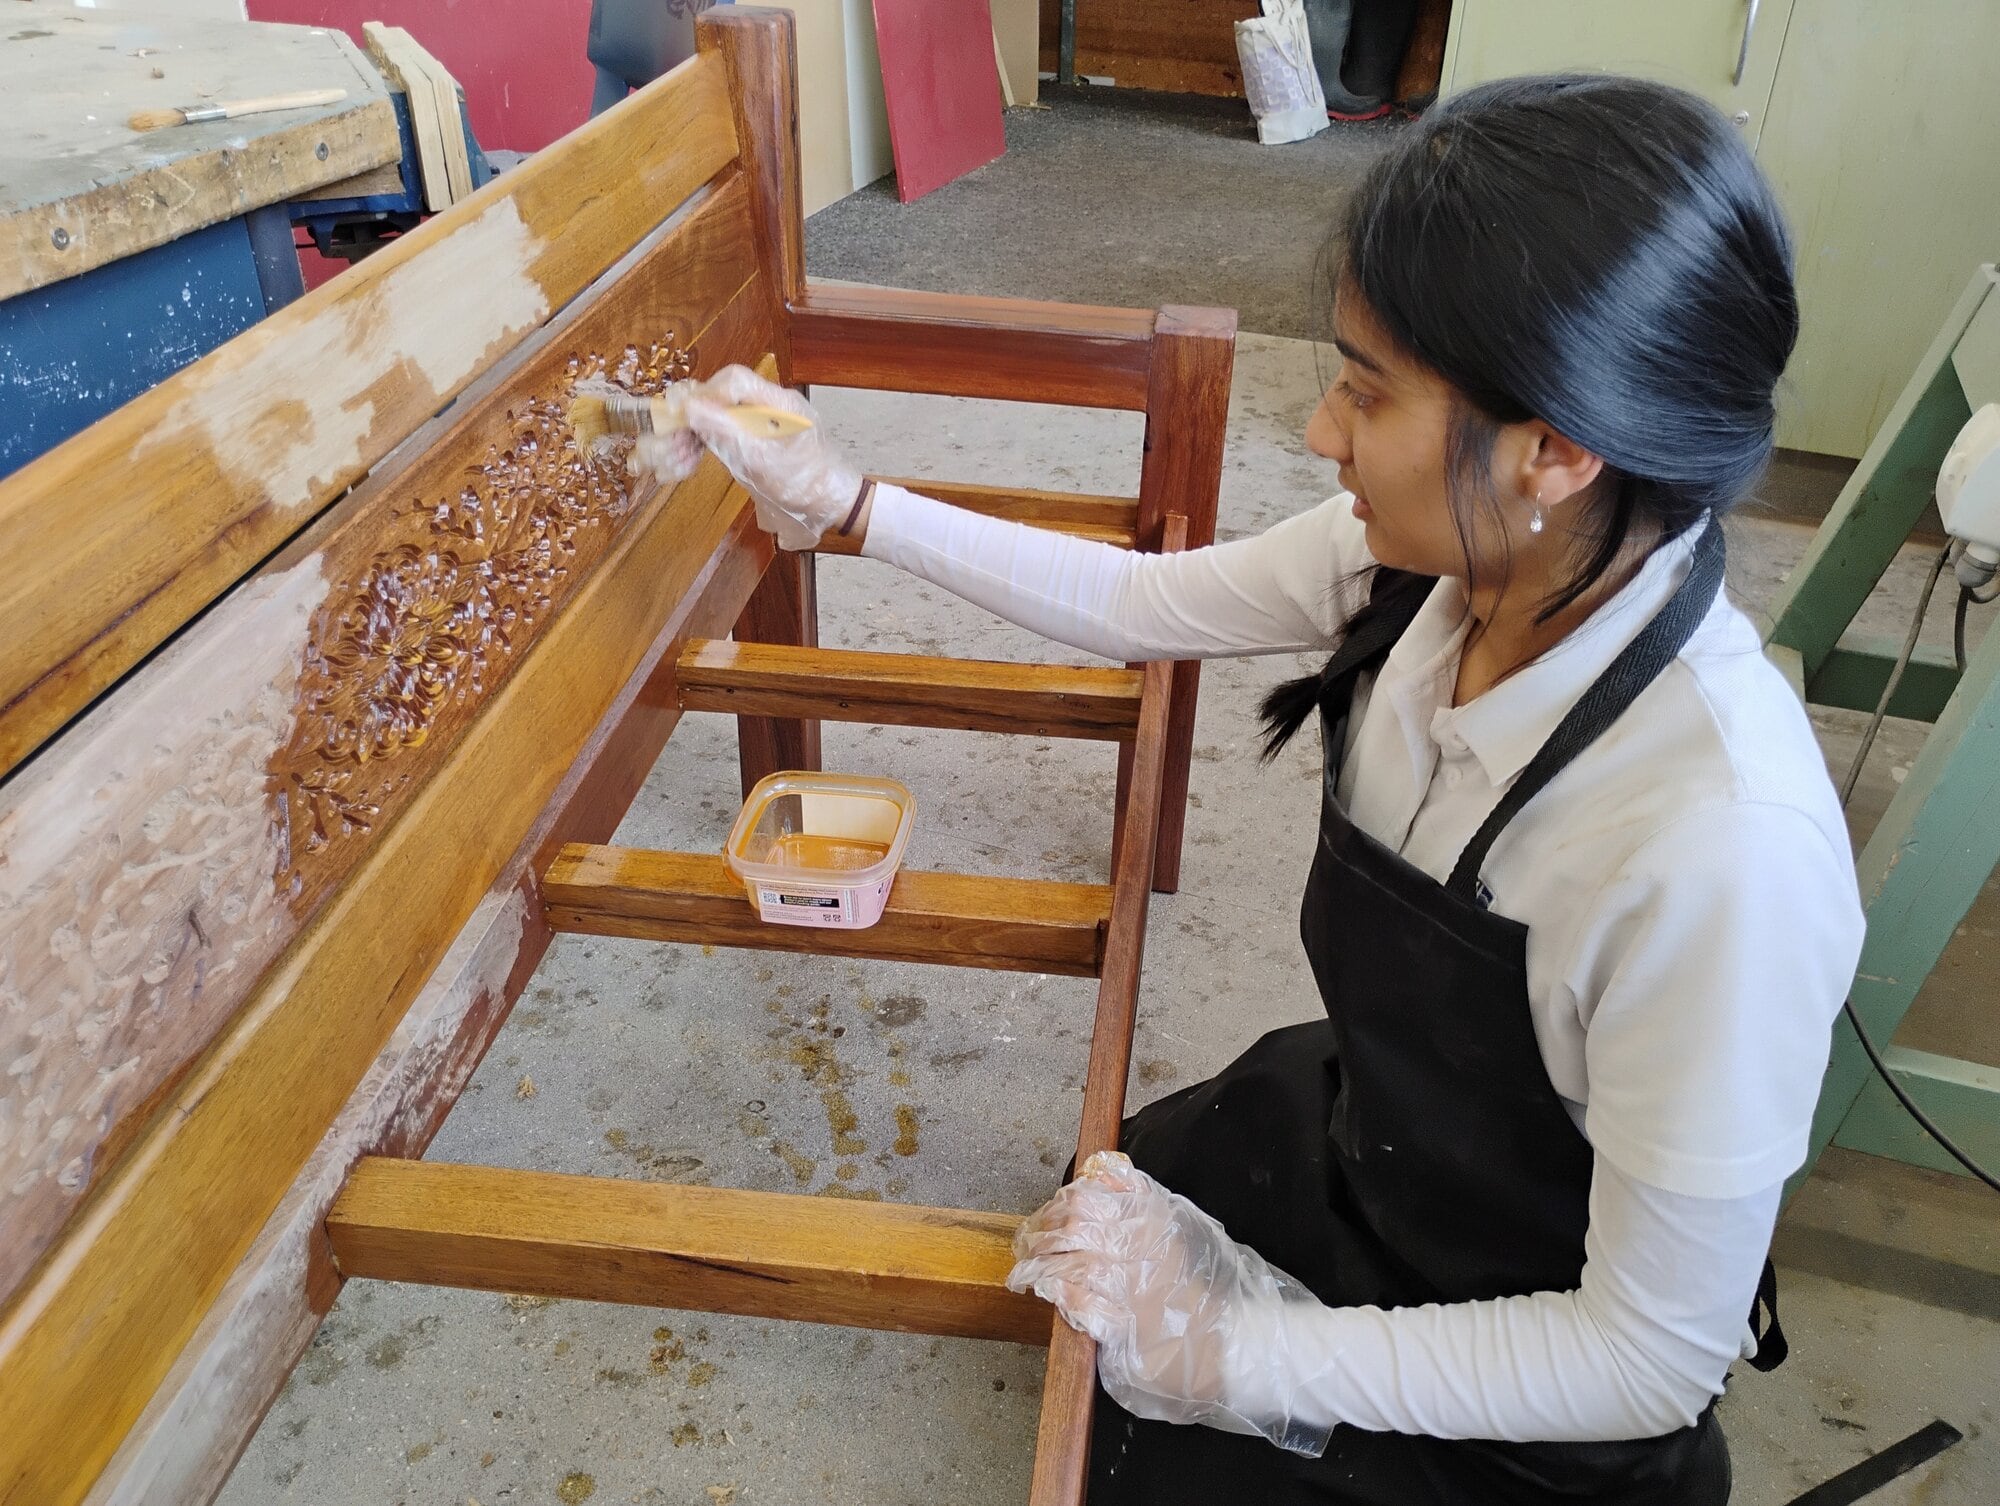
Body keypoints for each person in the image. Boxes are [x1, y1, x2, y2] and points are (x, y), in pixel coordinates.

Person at [638, 74, 1866, 1505]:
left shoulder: (1722, 850)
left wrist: (1249, 1350)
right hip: (1381, 1142)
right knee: (1112, 1238)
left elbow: (1645, 1354)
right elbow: (1143, 598)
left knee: (1146, 1447)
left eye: (1367, 387)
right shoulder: (1445, 559)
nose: (1322, 431)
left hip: (1532, 1371)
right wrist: (849, 504)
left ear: (1560, 447)